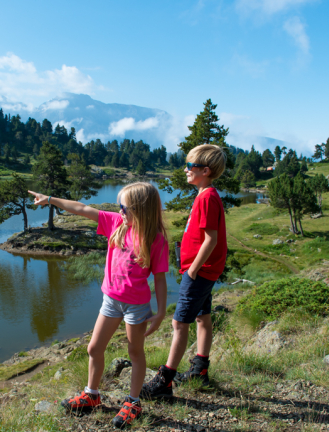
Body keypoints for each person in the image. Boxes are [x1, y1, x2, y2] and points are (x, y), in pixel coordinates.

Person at [28, 182, 168, 429]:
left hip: (136, 306)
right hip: (111, 301)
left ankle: (133, 402)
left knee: (135, 353)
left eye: (124, 207)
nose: (120, 210)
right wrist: (50, 198)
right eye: (119, 206)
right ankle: (92, 395)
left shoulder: (155, 239)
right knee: (94, 348)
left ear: (141, 210)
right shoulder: (116, 222)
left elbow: (159, 278)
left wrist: (160, 312)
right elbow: (81, 208)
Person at [141, 144, 228, 399]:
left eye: (190, 166)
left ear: (205, 170)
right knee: (202, 316)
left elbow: (210, 240)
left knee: (179, 323)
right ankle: (200, 369)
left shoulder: (208, 197)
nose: (185, 170)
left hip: (200, 272)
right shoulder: (204, 194)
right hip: (203, 271)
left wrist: (192, 271)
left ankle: (164, 382)